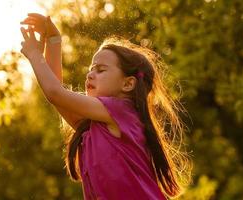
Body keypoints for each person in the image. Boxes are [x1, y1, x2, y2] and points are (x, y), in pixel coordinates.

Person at [20, 13, 192, 200]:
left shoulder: (123, 110)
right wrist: (53, 40)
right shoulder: (93, 127)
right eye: (91, 70)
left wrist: (35, 54)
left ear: (128, 84)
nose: (90, 75)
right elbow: (57, 95)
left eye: (100, 70)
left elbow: (56, 93)